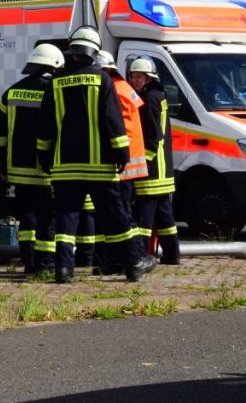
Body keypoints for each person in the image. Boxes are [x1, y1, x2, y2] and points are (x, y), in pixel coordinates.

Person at [36, 27, 156, 284]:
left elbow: (45, 125)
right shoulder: (102, 79)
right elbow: (113, 120)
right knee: (115, 215)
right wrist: (121, 151)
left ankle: (64, 270)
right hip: (100, 166)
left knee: (67, 219)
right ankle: (133, 262)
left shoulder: (55, 82)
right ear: (92, 52)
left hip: (65, 165)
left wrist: (44, 156)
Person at [0, 43, 63, 273]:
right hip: (44, 171)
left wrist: (3, 161)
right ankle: (46, 264)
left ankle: (28, 262)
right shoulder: (54, 91)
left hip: (17, 171)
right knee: (46, 220)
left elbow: (0, 132)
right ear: (53, 66)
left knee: (26, 219)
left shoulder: (11, 92)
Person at [95, 51, 148, 274]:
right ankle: (119, 261)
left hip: (122, 164)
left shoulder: (113, 90)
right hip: (130, 162)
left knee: (121, 216)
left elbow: (116, 126)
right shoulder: (124, 87)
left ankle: (131, 259)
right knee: (121, 214)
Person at [128, 56, 180, 265]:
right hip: (163, 169)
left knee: (143, 216)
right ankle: (172, 254)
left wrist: (142, 163)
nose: (134, 80)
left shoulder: (149, 100)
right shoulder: (158, 95)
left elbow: (153, 136)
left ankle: (140, 256)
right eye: (133, 76)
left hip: (152, 169)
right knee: (164, 215)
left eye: (139, 77)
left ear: (148, 78)